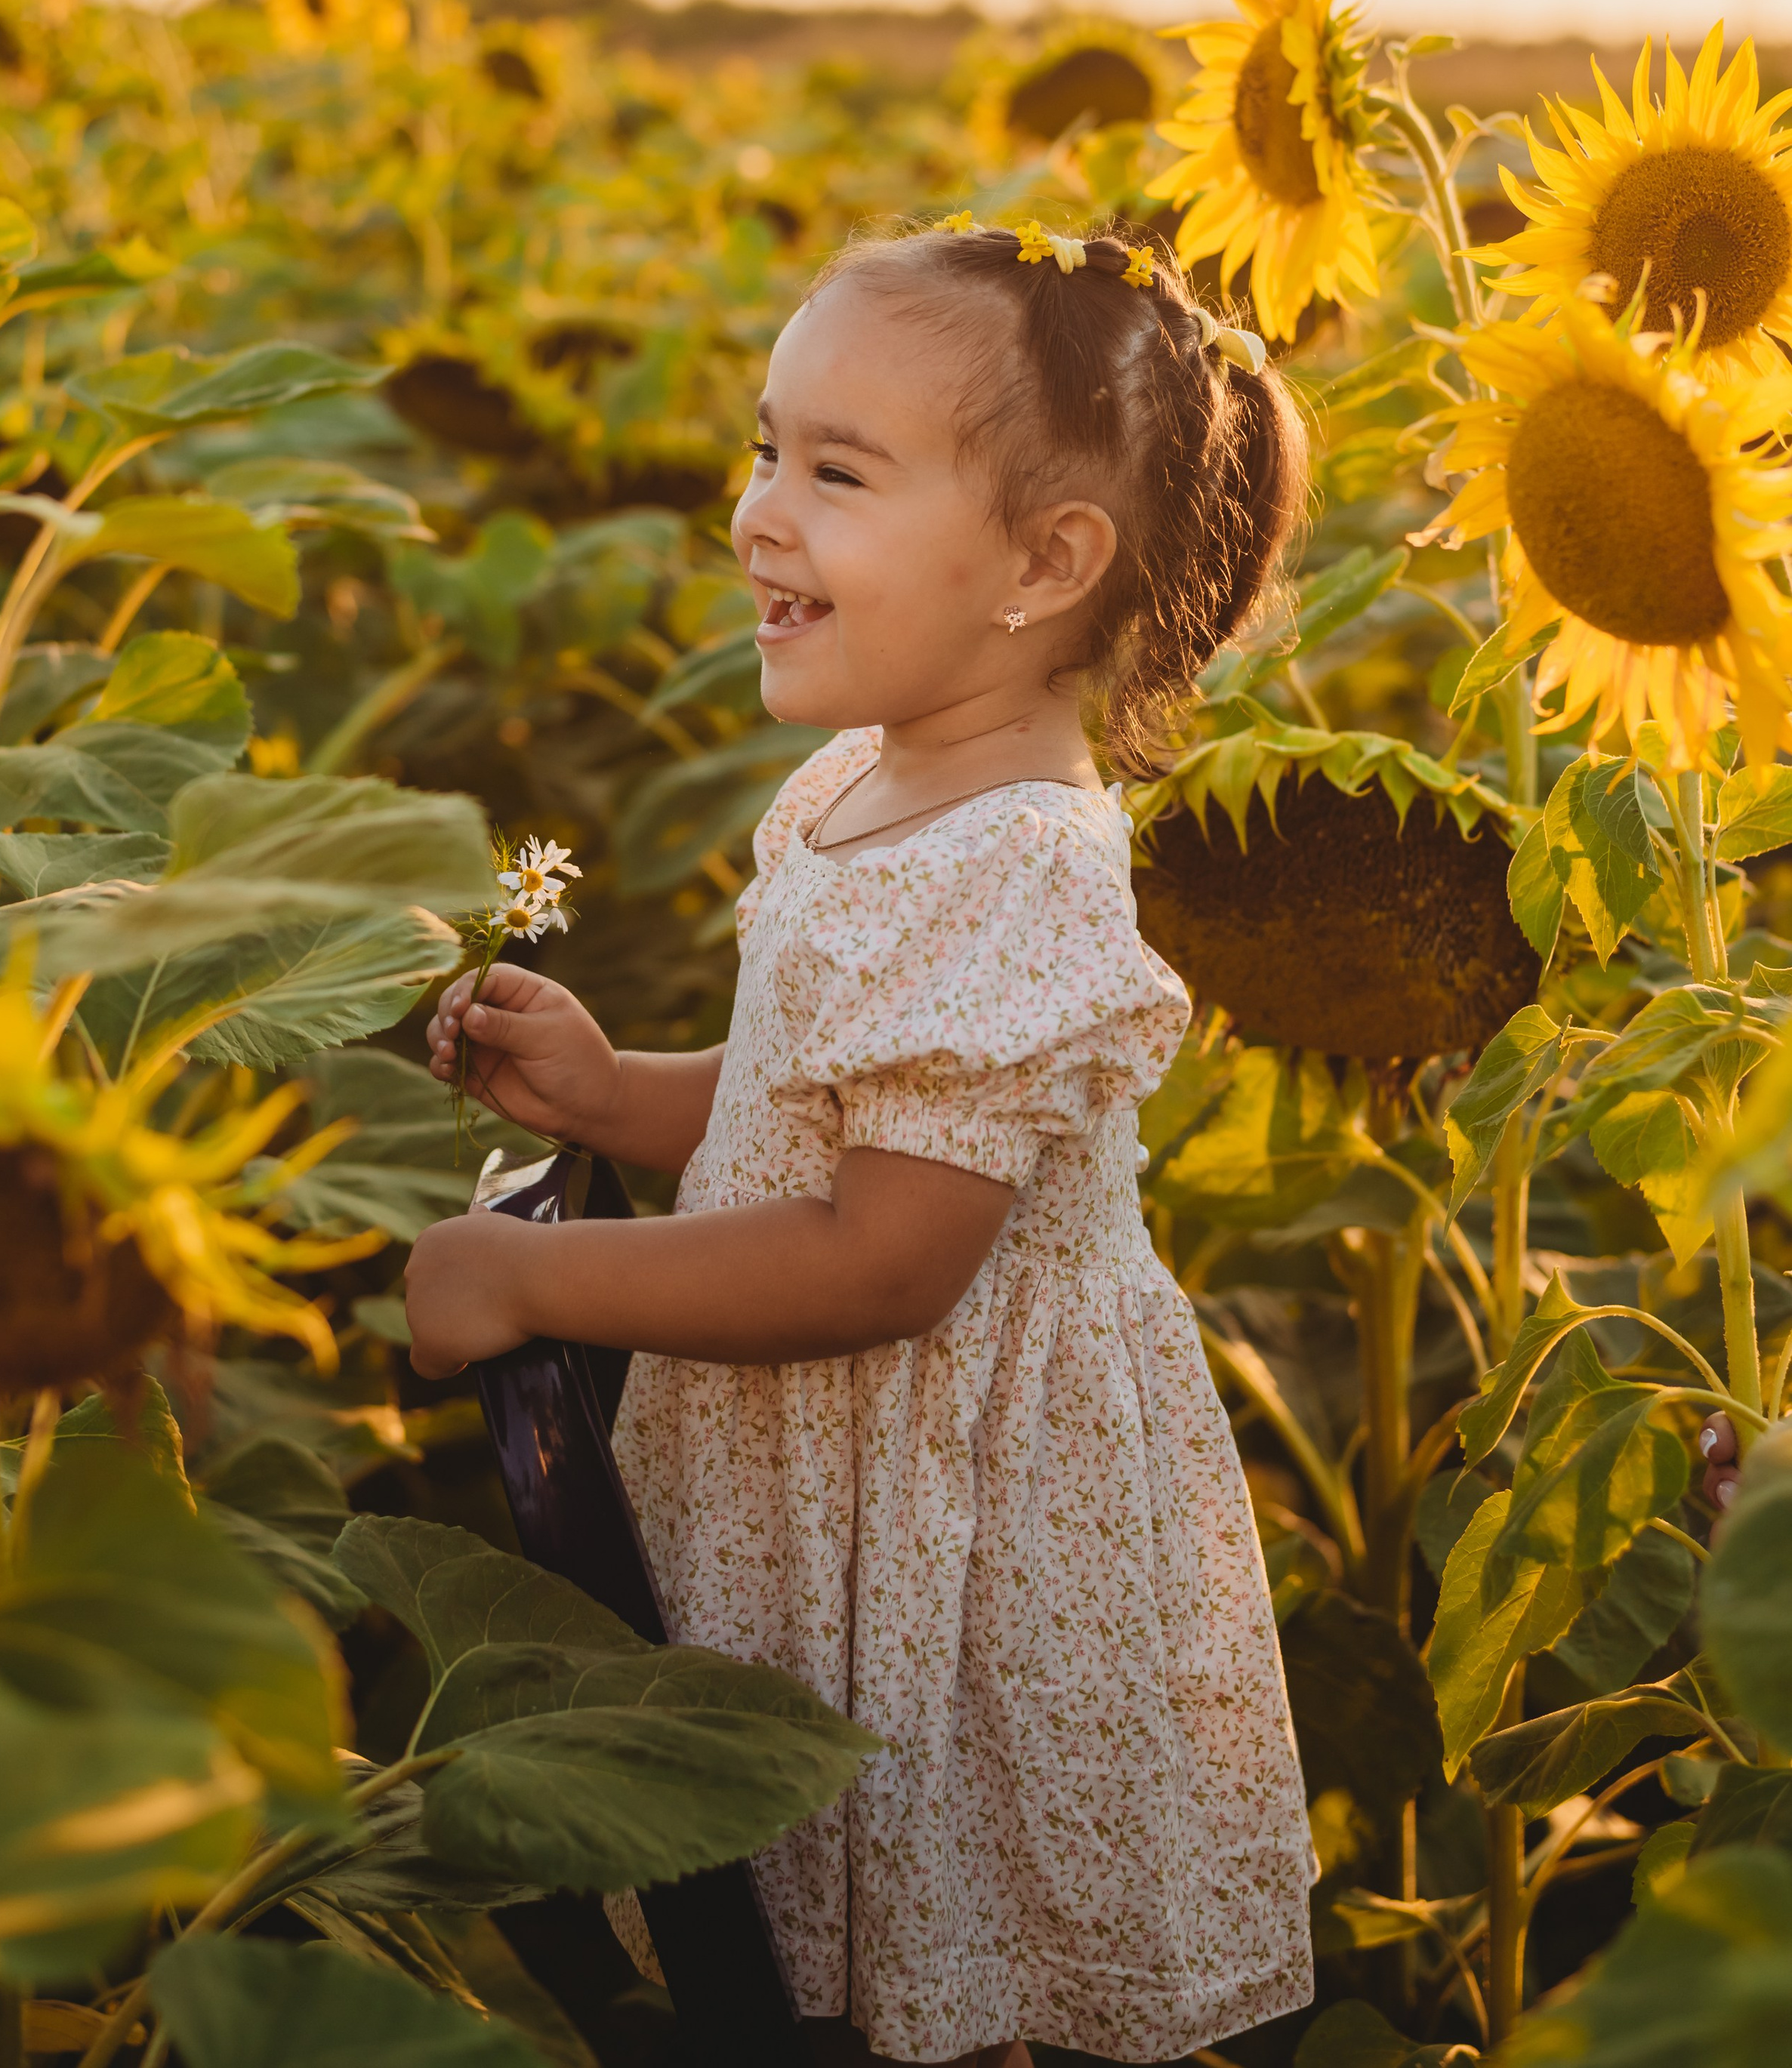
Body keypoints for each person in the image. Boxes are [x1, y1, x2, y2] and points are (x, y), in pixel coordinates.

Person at [407, 219, 1318, 2068]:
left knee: (941, 1954)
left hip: (949, 1511)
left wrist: (526, 1265)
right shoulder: (867, 778)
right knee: (810, 1931)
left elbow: (881, 1256)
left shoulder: (1020, 860)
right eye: (764, 446)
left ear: (1042, 564)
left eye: (834, 472)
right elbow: (810, 1107)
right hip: (825, 1468)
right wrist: (611, 1094)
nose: (757, 512)